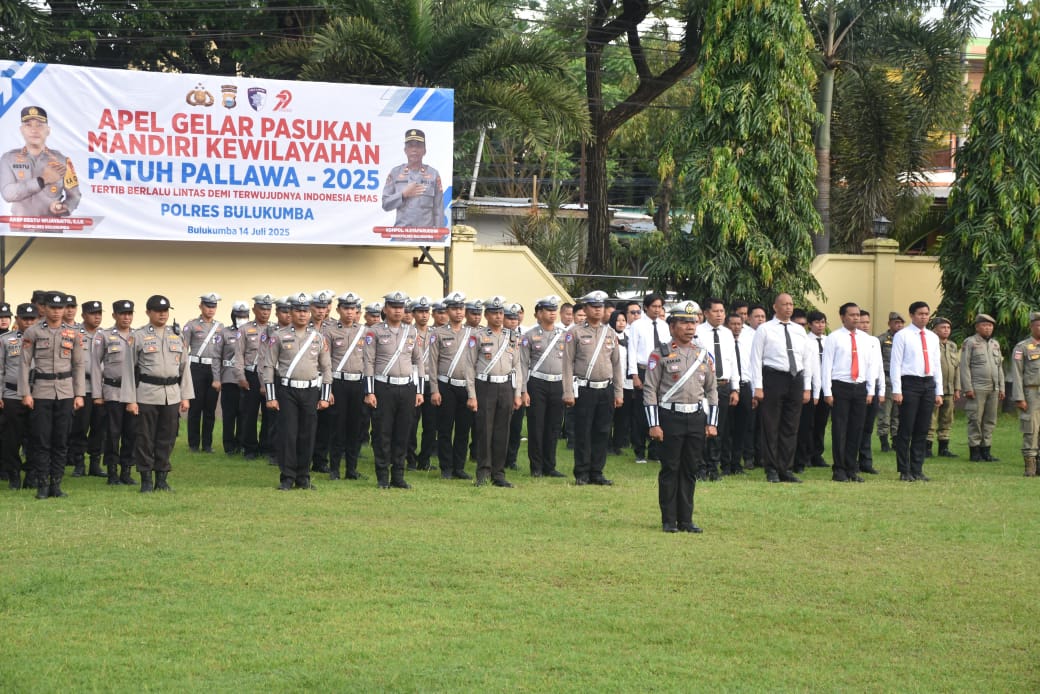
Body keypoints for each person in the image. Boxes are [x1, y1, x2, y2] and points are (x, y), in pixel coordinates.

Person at [644, 301, 718, 533]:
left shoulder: (703, 355)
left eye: (693, 322)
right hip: (670, 417)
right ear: (672, 326)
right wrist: (653, 424)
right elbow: (650, 391)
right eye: (684, 322)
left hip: (695, 418)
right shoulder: (660, 354)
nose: (689, 327)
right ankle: (669, 520)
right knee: (670, 469)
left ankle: (686, 519)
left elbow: (712, 390)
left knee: (690, 469)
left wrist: (712, 422)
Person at [122, 295, 194, 493]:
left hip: (171, 394)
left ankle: (161, 479)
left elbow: (184, 367)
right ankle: (146, 479)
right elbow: (128, 369)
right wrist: (130, 399)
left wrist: (185, 395)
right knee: (144, 438)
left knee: (167, 437)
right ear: (148, 312)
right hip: (146, 393)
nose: (162, 314)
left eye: (165, 310)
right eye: (157, 310)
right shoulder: (138, 336)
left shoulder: (176, 336)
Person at [19, 291, 86, 499]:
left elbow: (78, 364)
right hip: (41, 391)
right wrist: (25, 393)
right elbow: (24, 364)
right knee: (41, 439)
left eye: (61, 308)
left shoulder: (73, 333)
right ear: (44, 308)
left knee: (61, 439)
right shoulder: (33, 332)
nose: (57, 312)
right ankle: (41, 484)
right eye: (53, 308)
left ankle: (56, 484)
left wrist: (79, 394)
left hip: (65, 392)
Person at [262, 292, 332, 491]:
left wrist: (325, 396)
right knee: (288, 434)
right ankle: (287, 477)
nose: (302, 315)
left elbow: (326, 368)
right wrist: (271, 396)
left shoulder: (318, 338)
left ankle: (303, 477)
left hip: (310, 391)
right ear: (290, 313)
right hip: (287, 391)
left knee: (307, 435)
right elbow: (268, 366)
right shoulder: (278, 336)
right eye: (298, 311)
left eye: (305, 311)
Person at [749, 293, 815, 483]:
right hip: (773, 377)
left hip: (795, 378)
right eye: (784, 304)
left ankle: (785, 467)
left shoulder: (799, 330)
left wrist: (807, 387)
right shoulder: (765, 329)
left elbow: (806, 359)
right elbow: (755, 359)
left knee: (791, 426)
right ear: (775, 307)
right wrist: (758, 387)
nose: (788, 307)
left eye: (791, 304)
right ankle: (771, 468)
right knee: (771, 425)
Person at [363, 291, 425, 489]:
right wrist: (370, 391)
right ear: (385, 309)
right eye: (394, 307)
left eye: (401, 307)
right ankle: (382, 476)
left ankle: (398, 476)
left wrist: (419, 391)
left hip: (406, 388)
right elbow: (369, 363)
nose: (398, 311)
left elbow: (418, 361)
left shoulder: (411, 332)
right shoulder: (374, 332)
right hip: (384, 387)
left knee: (403, 433)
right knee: (382, 433)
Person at [562, 290, 624, 485]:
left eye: (601, 307)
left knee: (602, 431)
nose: (598, 310)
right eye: (594, 307)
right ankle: (581, 472)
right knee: (583, 432)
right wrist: (568, 391)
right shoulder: (575, 332)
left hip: (605, 388)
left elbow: (616, 364)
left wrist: (618, 391)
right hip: (584, 388)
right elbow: (567, 364)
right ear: (586, 308)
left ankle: (597, 472)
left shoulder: (610, 333)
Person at [465, 296, 522, 487]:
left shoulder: (512, 337)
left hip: (506, 386)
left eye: (501, 313)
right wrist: (472, 395)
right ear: (486, 315)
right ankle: (483, 472)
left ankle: (499, 473)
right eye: (494, 313)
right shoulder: (478, 336)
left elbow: (517, 366)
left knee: (502, 431)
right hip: (485, 386)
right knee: (484, 430)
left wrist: (517, 393)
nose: (498, 317)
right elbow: (469, 367)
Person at [821, 303, 877, 482]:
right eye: (852, 315)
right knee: (840, 428)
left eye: (858, 315)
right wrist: (827, 391)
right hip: (840, 386)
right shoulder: (834, 338)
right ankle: (839, 469)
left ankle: (852, 468)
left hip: (859, 387)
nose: (856, 318)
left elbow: (870, 365)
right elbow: (826, 366)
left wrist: (870, 390)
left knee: (856, 428)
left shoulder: (866, 339)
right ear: (842, 317)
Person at [890, 301, 944, 482]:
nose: (924, 317)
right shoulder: (902, 335)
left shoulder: (932, 337)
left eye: (927, 314)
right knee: (906, 428)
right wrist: (897, 389)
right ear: (912, 315)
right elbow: (896, 364)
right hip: (909, 384)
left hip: (928, 383)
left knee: (922, 429)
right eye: (920, 313)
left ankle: (917, 468)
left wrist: (939, 391)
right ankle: (904, 470)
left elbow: (937, 364)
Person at [0, 106, 82, 217]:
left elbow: (74, 196)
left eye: (39, 125)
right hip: (19, 230)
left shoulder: (62, 160)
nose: (34, 130)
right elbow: (8, 194)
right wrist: (43, 180)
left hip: (52, 229)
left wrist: (65, 207)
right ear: (22, 130)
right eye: (28, 125)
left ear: (48, 130)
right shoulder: (8, 159)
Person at [429, 291, 476, 480]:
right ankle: (446, 467)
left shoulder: (472, 334)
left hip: (465, 387)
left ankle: (459, 467)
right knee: (445, 429)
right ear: (447, 310)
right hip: (445, 386)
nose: (458, 312)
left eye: (461, 308)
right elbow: (432, 363)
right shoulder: (438, 334)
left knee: (464, 430)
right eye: (455, 308)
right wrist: (434, 390)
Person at [91, 300, 138, 485]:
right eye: (122, 313)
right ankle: (112, 471)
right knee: (112, 433)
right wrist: (97, 394)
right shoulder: (104, 336)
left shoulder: (138, 336)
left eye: (129, 313)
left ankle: (126, 471)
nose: (126, 317)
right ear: (114, 316)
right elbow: (95, 365)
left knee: (131, 432)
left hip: (133, 393)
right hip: (112, 391)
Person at [521, 295, 567, 478]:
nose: (552, 313)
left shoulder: (564, 335)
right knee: (536, 426)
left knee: (554, 426)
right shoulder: (529, 335)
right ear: (539, 314)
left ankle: (550, 465)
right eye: (548, 310)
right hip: (537, 383)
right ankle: (536, 467)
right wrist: (523, 390)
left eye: (554, 310)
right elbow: (523, 364)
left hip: (558, 383)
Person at [694, 298, 738, 478]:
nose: (720, 314)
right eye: (716, 311)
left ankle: (714, 467)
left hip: (724, 385)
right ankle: (700, 466)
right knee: (704, 426)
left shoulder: (727, 333)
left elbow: (732, 361)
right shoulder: (697, 332)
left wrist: (735, 388)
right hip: (704, 387)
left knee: (719, 428)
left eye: (722, 311)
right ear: (706, 313)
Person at [326, 292, 367, 480]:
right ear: (338, 309)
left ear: (357, 311)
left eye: (353, 309)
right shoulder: (330, 331)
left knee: (355, 428)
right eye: (346, 308)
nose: (350, 312)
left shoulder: (365, 332)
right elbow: (325, 362)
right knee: (337, 428)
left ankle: (352, 469)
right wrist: (328, 388)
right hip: (338, 383)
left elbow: (369, 360)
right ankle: (334, 468)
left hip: (358, 383)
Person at [629, 293, 670, 464]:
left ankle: (655, 450)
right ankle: (639, 450)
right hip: (644, 369)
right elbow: (632, 350)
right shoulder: (637, 325)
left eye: (659, 306)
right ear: (646, 307)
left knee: (660, 410)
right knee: (642, 411)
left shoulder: (664, 325)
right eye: (654, 306)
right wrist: (634, 375)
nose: (657, 309)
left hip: (661, 371)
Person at [0, 303, 37, 489]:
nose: (29, 322)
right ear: (17, 319)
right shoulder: (6, 340)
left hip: (37, 394)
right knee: (11, 437)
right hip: (12, 394)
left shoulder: (44, 338)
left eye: (32, 318)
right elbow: (0, 369)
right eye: (25, 318)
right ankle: (13, 473)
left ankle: (31, 474)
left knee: (35, 436)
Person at [68, 299, 106, 478]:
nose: (97, 317)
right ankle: (79, 463)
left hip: (101, 388)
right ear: (83, 315)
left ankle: (95, 464)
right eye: (93, 313)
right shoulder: (74, 333)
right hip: (81, 387)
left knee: (99, 427)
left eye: (99, 313)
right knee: (79, 427)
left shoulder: (105, 335)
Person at [182, 292, 224, 453]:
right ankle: (193, 444)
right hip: (196, 369)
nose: (211, 309)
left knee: (210, 408)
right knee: (195, 407)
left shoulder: (220, 327)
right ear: (201, 306)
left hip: (213, 369)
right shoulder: (191, 325)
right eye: (208, 306)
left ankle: (207, 444)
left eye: (214, 306)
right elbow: (184, 348)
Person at [960, 313, 1004, 462]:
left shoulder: (995, 344)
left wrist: (1001, 388)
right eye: (984, 325)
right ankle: (975, 451)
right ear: (977, 327)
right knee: (975, 419)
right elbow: (964, 367)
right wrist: (967, 388)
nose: (988, 328)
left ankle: (986, 450)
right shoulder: (970, 342)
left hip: (993, 388)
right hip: (977, 387)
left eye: (990, 325)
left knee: (990, 420)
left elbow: (1000, 368)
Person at [237, 294, 276, 462]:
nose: (265, 312)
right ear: (254, 310)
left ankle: (266, 446)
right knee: (249, 413)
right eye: (262, 309)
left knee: (270, 413)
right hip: (251, 375)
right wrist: (240, 376)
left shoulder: (276, 330)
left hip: (269, 375)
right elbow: (238, 355)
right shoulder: (245, 329)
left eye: (268, 309)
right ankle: (250, 448)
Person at [381, 129, 444, 228]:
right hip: (401, 236)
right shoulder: (395, 173)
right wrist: (403, 194)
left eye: (418, 146)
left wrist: (439, 239)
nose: (414, 150)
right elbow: (385, 204)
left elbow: (438, 209)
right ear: (405, 150)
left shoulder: (433, 174)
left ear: (424, 151)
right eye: (410, 146)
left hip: (425, 237)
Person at [406, 296, 438, 471]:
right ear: (413, 313)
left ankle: (424, 459)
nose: (424, 315)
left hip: (430, 382)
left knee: (431, 424)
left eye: (427, 312)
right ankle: (410, 458)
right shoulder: (407, 332)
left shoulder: (435, 334)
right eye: (420, 312)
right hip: (412, 381)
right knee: (411, 422)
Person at [214, 301, 250, 455]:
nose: (241, 318)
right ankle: (229, 446)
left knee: (244, 413)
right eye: (239, 316)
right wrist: (217, 378)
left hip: (246, 378)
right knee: (229, 414)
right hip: (229, 378)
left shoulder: (252, 332)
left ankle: (242, 443)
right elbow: (216, 357)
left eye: (244, 316)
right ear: (233, 316)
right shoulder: (224, 333)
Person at [796, 310, 830, 472]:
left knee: (821, 423)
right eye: (817, 322)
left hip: (826, 386)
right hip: (810, 386)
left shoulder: (828, 341)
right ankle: (806, 454)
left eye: (823, 322)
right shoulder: (806, 341)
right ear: (809, 325)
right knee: (808, 422)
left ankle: (818, 453)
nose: (820, 325)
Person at [1010, 312, 1040, 477]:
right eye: (1038, 325)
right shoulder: (1022, 347)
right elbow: (1016, 373)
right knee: (1031, 429)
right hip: (1031, 393)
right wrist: (1019, 397)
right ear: (1031, 326)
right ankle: (1030, 466)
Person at [856, 310, 884, 475]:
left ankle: (866, 461)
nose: (865, 325)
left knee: (867, 427)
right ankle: (851, 460)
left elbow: (879, 366)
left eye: (867, 322)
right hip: (858, 386)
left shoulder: (874, 341)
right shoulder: (851, 340)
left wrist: (881, 390)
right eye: (862, 322)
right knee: (855, 426)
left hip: (872, 388)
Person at [928, 317, 960, 458]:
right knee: (931, 418)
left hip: (949, 388)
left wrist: (957, 388)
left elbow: (956, 368)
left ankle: (943, 447)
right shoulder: (930, 344)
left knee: (947, 418)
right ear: (934, 329)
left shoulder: (952, 346)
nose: (946, 330)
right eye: (943, 327)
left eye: (948, 327)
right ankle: (927, 447)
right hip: (934, 388)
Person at [726, 312, 754, 471]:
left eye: (739, 325)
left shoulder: (748, 342)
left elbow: (753, 367)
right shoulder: (724, 341)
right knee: (727, 426)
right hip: (727, 386)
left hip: (745, 386)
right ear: (727, 325)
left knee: (742, 426)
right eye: (733, 324)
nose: (736, 328)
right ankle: (725, 461)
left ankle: (737, 462)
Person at [876, 311, 904, 451]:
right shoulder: (882, 339)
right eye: (896, 323)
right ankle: (884, 441)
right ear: (889, 324)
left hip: (900, 380)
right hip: (886, 379)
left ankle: (896, 439)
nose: (899, 325)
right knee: (885, 412)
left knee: (897, 413)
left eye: (901, 323)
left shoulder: (905, 339)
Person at [503, 302, 526, 470]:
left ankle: (511, 459)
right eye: (509, 318)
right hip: (501, 384)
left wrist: (523, 390)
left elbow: (523, 364)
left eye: (515, 318)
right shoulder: (497, 336)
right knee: (501, 424)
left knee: (516, 425)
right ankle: (499, 457)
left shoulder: (524, 336)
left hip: (518, 383)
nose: (513, 321)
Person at [608, 309, 634, 457]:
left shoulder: (629, 338)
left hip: (627, 382)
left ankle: (618, 444)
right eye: (618, 320)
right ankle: (607, 444)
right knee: (609, 415)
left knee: (622, 416)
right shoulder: (608, 336)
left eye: (623, 320)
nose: (621, 323)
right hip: (612, 381)